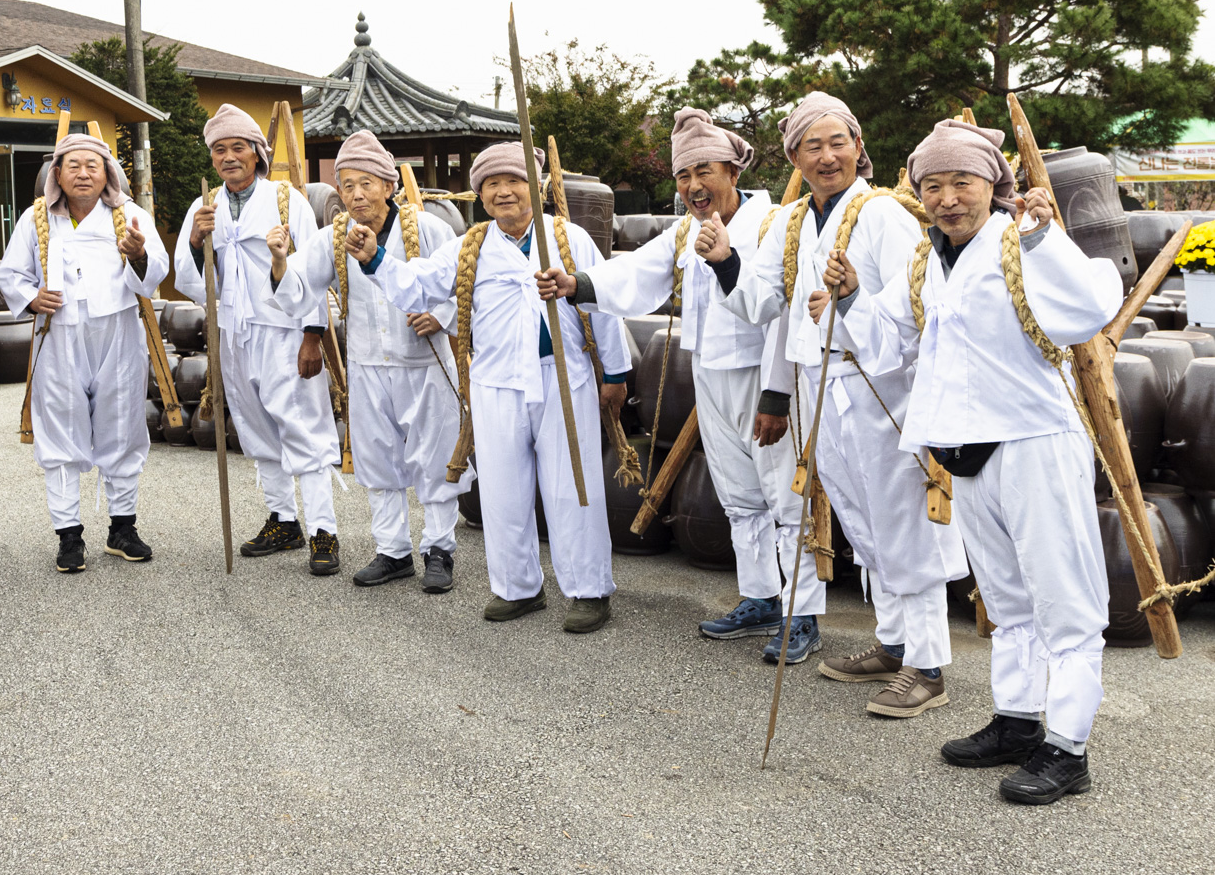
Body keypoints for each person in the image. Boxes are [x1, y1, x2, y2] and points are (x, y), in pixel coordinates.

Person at [818, 118, 1120, 804]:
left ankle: (1068, 748)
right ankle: (1016, 722)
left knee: (1065, 603)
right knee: (1008, 602)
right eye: (933, 184)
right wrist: (850, 295)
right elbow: (881, 342)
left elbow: (1087, 312)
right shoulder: (926, 261)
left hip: (1035, 444)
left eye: (963, 181)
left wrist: (1047, 240)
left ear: (994, 184)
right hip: (968, 452)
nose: (948, 196)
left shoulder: (1022, 242)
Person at [700, 92, 967, 718]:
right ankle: (895, 643)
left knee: (903, 521)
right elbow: (763, 302)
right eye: (812, 146)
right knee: (863, 518)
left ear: (858, 147)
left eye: (837, 142)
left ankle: (927, 666)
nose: (827, 156)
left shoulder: (884, 214)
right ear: (794, 155)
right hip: (822, 386)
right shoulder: (791, 223)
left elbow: (917, 309)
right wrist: (725, 262)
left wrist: (851, 303)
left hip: (880, 387)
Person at [537, 108, 814, 659]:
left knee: (785, 494)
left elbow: (783, 312)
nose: (693, 186)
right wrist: (577, 283)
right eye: (683, 176)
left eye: (704, 171)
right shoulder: (687, 230)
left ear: (734, 172)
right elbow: (638, 271)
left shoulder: (777, 222)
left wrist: (778, 393)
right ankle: (760, 598)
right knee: (738, 495)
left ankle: (802, 612)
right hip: (710, 372)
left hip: (764, 375)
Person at [352, 142, 630, 633]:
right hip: (495, 381)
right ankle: (518, 587)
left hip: (563, 377)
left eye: (514, 181)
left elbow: (601, 303)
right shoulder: (471, 246)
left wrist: (614, 374)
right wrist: (376, 258)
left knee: (573, 489)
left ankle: (589, 591)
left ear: (536, 187)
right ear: (480, 195)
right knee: (503, 491)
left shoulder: (568, 238)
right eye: (492, 185)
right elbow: (419, 285)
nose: (504, 192)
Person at [265, 129, 466, 592]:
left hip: (426, 364)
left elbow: (463, 283)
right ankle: (393, 551)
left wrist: (441, 315)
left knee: (436, 458)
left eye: (366, 183)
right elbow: (298, 293)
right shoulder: (332, 238)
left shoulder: (428, 228)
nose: (356, 195)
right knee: (379, 459)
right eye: (347, 186)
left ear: (389, 185)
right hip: (368, 363)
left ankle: (440, 549)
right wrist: (279, 261)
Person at [174, 105, 342, 574]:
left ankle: (324, 530)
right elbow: (192, 282)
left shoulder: (287, 200)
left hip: (285, 331)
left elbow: (313, 273)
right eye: (220, 150)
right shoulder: (203, 206)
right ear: (212, 159)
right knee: (255, 427)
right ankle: (283, 520)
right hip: (235, 332)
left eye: (238, 148)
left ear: (257, 153)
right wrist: (193, 241)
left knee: (301, 427)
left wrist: (313, 336)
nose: (229, 158)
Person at [1, 132, 168, 572]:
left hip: (117, 332)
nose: (83, 173)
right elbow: (10, 273)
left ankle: (122, 527)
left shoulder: (128, 215)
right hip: (57, 336)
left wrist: (138, 255)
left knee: (122, 425)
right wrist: (32, 297)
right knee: (59, 430)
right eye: (73, 166)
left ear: (107, 174)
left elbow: (157, 270)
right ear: (56, 174)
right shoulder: (35, 218)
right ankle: (68, 535)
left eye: (92, 166)